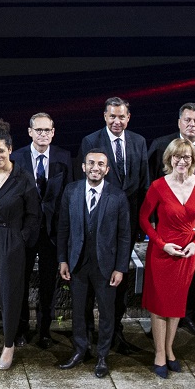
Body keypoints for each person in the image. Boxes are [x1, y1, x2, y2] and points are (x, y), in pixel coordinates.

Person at [147, 103, 195, 337]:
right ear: (179, 122)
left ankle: (188, 315)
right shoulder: (160, 146)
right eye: (187, 120)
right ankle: (161, 320)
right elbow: (151, 183)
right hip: (168, 227)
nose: (192, 124)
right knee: (165, 277)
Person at [80, 97, 147, 353]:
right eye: (112, 116)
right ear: (104, 117)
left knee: (119, 278)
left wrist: (140, 224)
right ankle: (85, 337)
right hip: (96, 224)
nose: (117, 121)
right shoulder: (91, 141)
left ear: (128, 118)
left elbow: (143, 185)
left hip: (126, 225)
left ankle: (115, 334)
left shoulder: (139, 142)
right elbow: (83, 186)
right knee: (88, 281)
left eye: (122, 117)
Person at [139, 138, 195, 378]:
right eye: (177, 157)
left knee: (177, 306)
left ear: (193, 160)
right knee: (160, 306)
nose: (182, 161)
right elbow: (143, 219)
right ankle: (159, 353)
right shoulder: (159, 185)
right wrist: (161, 244)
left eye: (187, 157)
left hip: (187, 253)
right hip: (162, 252)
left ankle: (170, 350)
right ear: (170, 159)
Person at [57, 149, 130, 378]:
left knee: (107, 313)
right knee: (79, 311)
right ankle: (80, 350)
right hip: (78, 263)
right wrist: (63, 260)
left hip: (106, 267)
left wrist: (120, 268)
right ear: (83, 166)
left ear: (107, 169)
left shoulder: (117, 196)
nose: (95, 167)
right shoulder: (72, 191)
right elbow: (63, 228)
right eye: (91, 163)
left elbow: (124, 236)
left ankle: (102, 356)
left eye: (100, 164)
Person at [0, 119, 40, 371]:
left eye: (1, 150)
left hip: (11, 241)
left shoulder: (23, 178)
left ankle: (9, 343)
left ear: (10, 149)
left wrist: (21, 240)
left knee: (10, 294)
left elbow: (33, 217)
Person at [13, 111, 70, 348]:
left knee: (49, 285)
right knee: (21, 283)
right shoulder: (16, 158)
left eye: (47, 130)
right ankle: (21, 329)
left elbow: (68, 199)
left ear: (53, 132)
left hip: (52, 234)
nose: (43, 134)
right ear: (30, 132)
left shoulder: (64, 157)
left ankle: (44, 331)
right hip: (25, 232)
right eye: (39, 130)